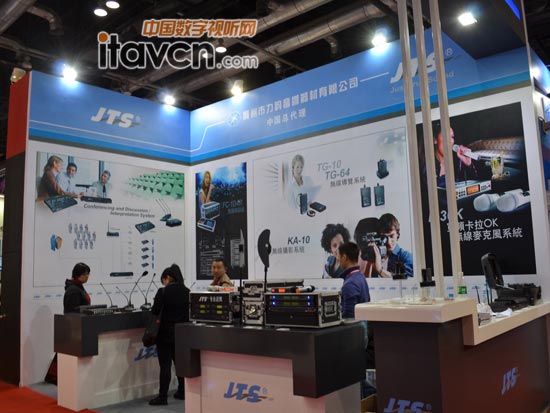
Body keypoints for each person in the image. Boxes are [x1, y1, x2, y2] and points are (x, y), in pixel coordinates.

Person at [149, 264, 190, 406]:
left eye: (163, 280)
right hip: (182, 334)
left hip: (165, 334)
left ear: (167, 277)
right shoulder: (187, 291)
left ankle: (162, 397)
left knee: (165, 366)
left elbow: (155, 311)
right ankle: (182, 391)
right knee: (180, 364)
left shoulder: (163, 292)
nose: (163, 283)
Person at [338, 242, 375, 398]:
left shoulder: (350, 283)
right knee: (357, 374)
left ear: (345, 257)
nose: (338, 260)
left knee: (353, 374)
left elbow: (349, 318)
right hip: (363, 330)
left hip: (355, 334)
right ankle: (371, 396)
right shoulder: (360, 277)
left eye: (339, 256)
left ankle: (366, 399)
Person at [364, 213, 413, 278]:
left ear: (398, 235)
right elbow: (367, 280)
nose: (389, 242)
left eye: (392, 236)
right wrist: (370, 260)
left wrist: (380, 270)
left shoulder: (405, 256)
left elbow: (406, 280)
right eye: (384, 238)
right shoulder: (377, 254)